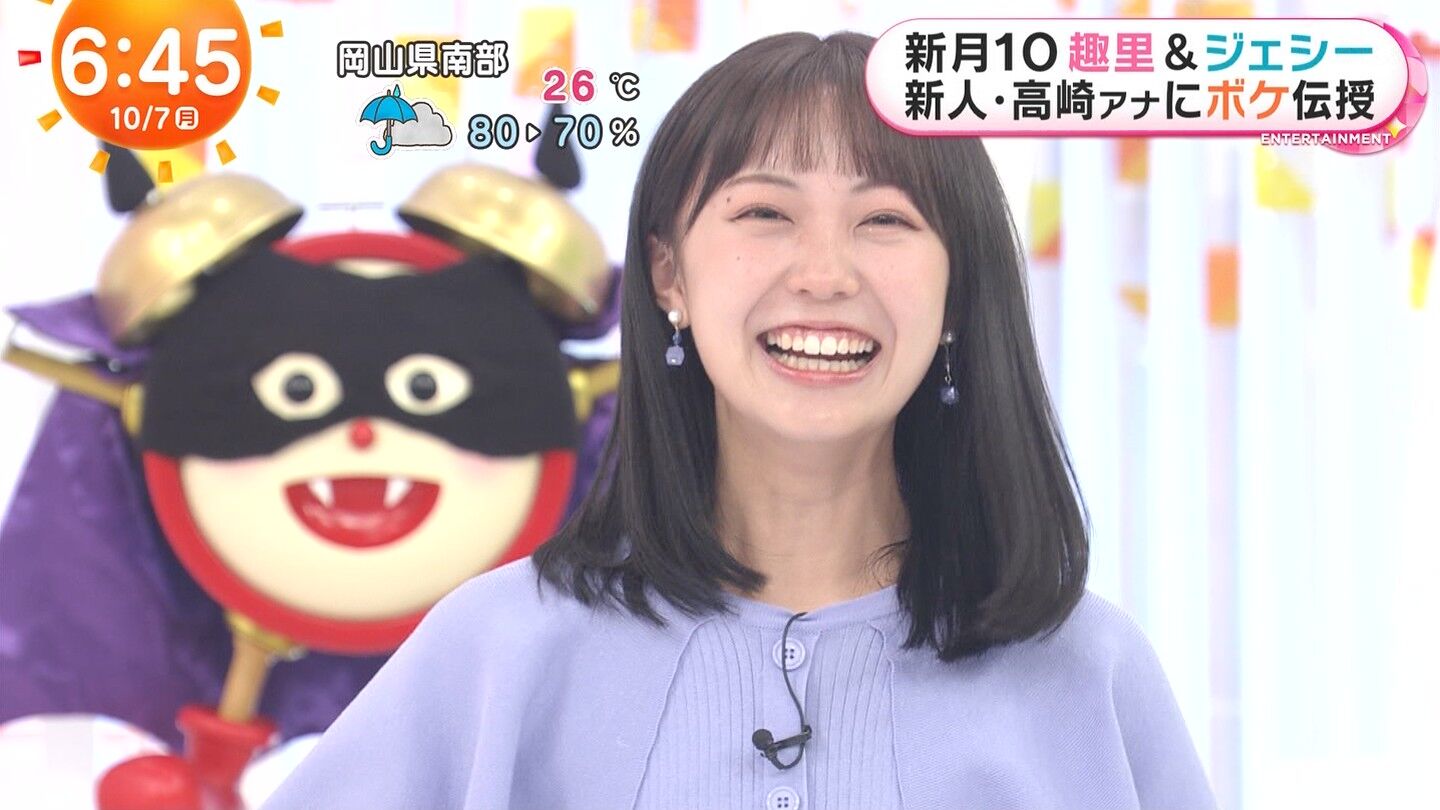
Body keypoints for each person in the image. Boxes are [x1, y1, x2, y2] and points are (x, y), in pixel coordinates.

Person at [261, 31, 1217, 810]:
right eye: (765, 213)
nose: (825, 274)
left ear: (958, 291)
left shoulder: (1086, 671)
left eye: (885, 220)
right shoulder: (498, 648)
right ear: (668, 274)